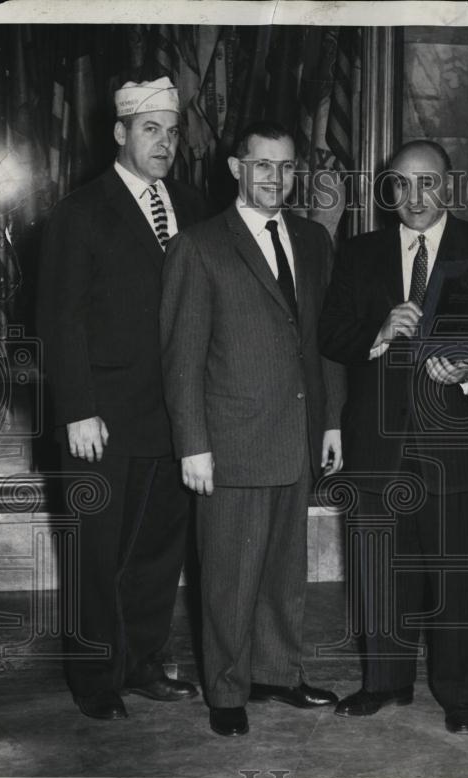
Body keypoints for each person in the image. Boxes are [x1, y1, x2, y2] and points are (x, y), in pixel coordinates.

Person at [318, 140, 468, 734]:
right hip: (379, 442)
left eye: (426, 182)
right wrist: (378, 331)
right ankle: (384, 681)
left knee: (457, 572)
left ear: (448, 187)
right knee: (379, 566)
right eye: (400, 185)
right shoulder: (358, 253)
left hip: (459, 441)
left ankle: (459, 693)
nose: (413, 197)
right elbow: (331, 335)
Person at [160, 120, 346, 737]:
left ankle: (277, 673)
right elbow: (182, 356)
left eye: (287, 166)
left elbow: (322, 343)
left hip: (296, 432)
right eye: (263, 165)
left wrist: (332, 423)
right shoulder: (200, 245)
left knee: (285, 569)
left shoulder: (315, 240)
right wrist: (194, 444)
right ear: (236, 169)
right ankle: (227, 689)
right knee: (229, 575)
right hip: (231, 440)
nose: (276, 178)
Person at [37, 77, 205, 720]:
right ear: (120, 134)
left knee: (158, 553)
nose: (165, 142)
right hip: (101, 420)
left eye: (172, 129)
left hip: (176, 418)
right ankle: (95, 681)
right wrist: (77, 408)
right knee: (96, 553)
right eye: (150, 129)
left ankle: (140, 664)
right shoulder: (80, 212)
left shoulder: (192, 204)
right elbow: (60, 318)